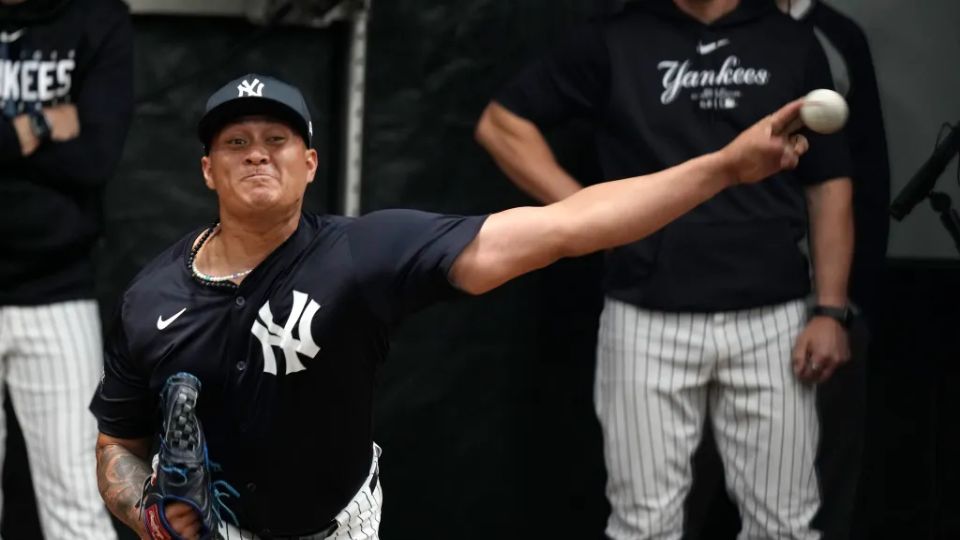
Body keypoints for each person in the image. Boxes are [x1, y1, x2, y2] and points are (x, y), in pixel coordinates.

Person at [90, 72, 811, 539]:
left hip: (334, 524)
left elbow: (566, 227)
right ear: (207, 169)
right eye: (236, 142)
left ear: (310, 163)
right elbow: (118, 444)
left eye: (278, 140)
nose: (258, 155)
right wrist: (147, 513)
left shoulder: (362, 254)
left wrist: (723, 168)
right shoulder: (152, 296)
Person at [474, 0, 854, 538]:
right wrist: (588, 217)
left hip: (773, 315)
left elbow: (830, 181)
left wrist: (831, 308)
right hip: (646, 310)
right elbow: (501, 124)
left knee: (784, 526)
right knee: (644, 526)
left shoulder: (789, 42)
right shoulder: (616, 35)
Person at [0, 0, 132, 538]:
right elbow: (72, 148)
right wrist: (40, 124)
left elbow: (96, 155)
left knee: (77, 499)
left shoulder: (96, 18)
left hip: (57, 291)